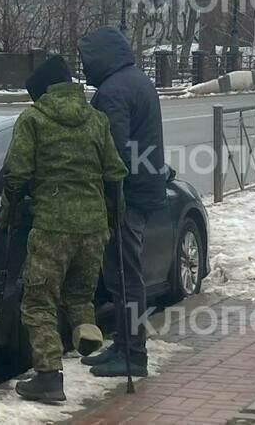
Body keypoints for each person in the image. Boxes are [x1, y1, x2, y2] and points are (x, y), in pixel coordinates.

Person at [2, 55, 127, 402]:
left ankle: (48, 377)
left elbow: (16, 174)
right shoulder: (96, 120)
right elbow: (115, 173)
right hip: (94, 226)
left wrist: (8, 215)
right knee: (79, 295)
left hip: (52, 226)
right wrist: (115, 216)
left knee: (39, 302)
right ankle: (86, 331)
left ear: (41, 92)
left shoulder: (33, 120)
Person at [77, 27, 167, 378]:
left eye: (86, 60)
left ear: (100, 57)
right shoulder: (137, 81)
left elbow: (111, 149)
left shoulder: (113, 91)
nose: (84, 68)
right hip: (143, 189)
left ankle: (132, 354)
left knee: (125, 277)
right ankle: (124, 345)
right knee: (124, 275)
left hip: (125, 195)